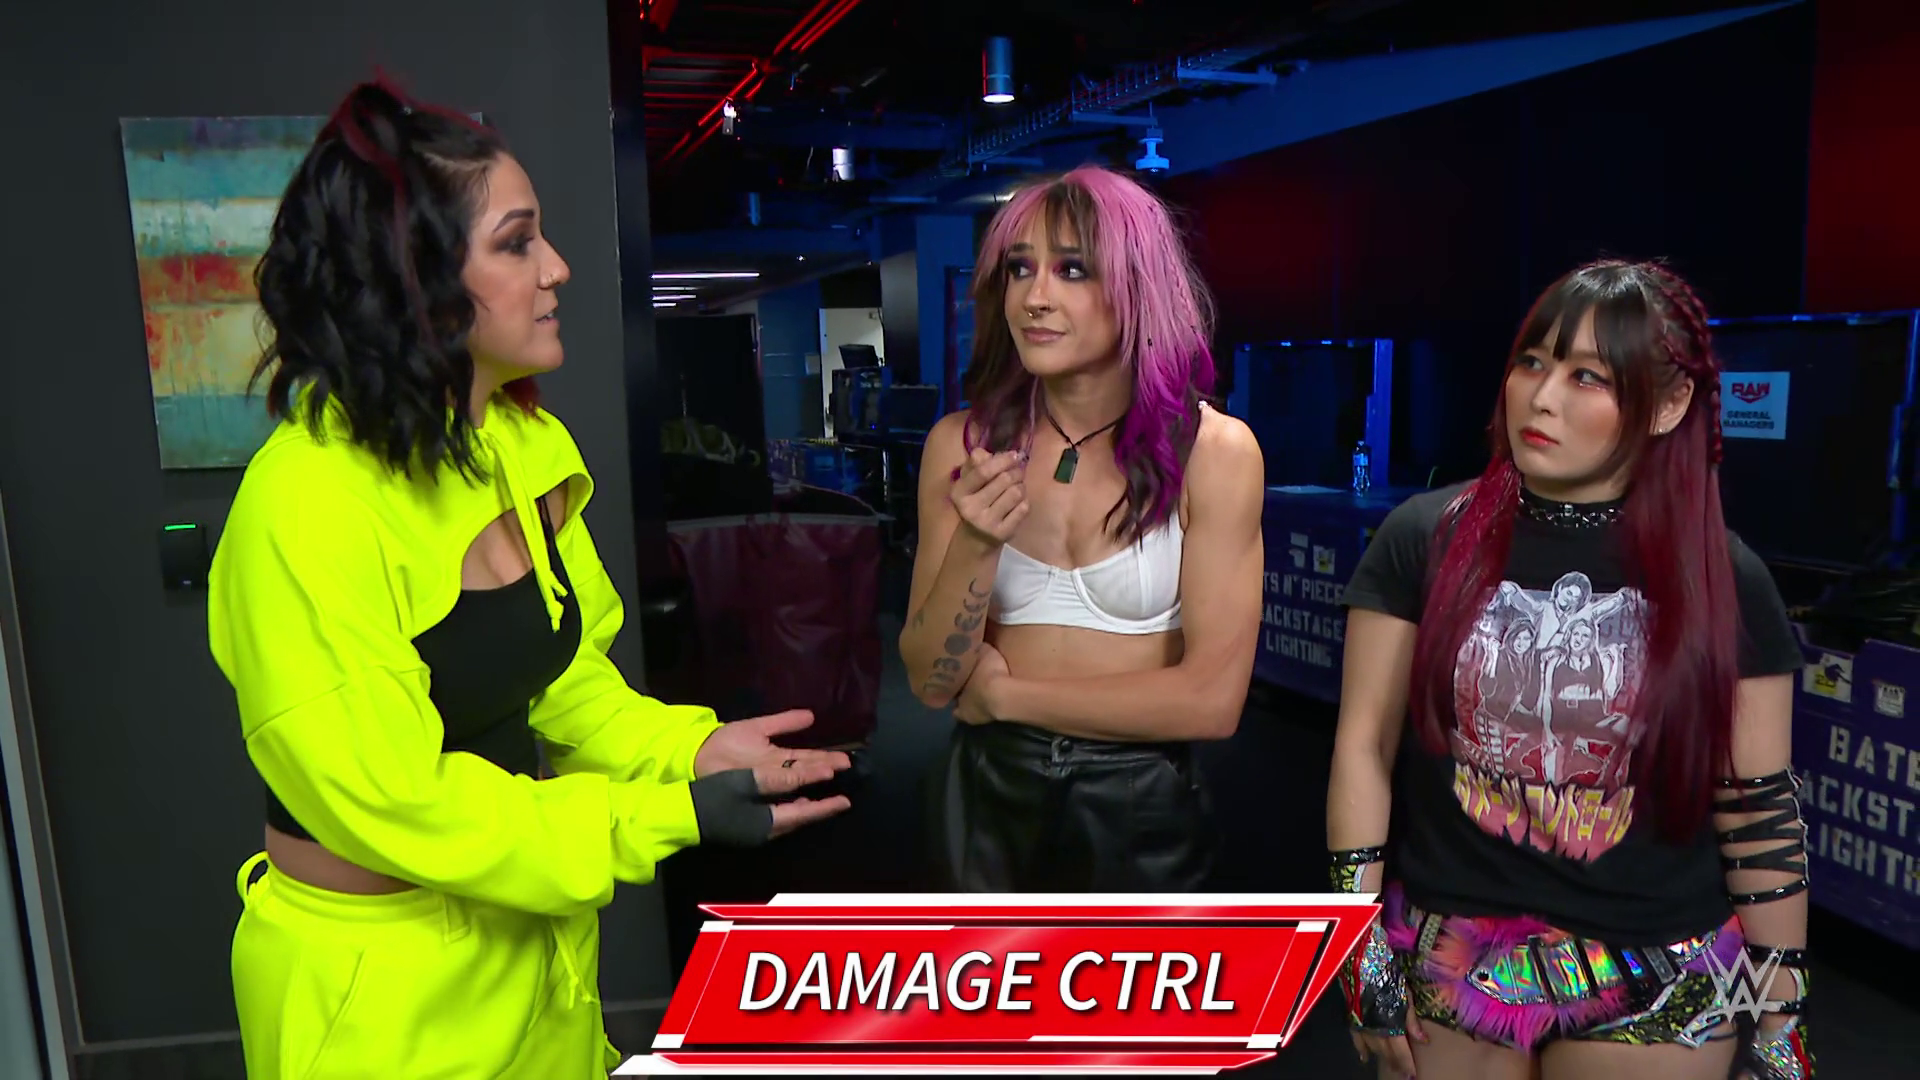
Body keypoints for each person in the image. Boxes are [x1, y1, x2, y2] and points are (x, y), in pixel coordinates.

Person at [207, 79, 852, 1079]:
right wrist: (664, 815)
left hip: (530, 946)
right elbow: (404, 803)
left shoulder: (521, 444)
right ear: (413, 277)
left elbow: (568, 680)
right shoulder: (304, 503)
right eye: (517, 244)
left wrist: (690, 750)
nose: (556, 269)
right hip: (381, 995)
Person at [1326, 259, 1813, 1080]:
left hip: (1659, 971)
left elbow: (1757, 808)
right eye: (1532, 362)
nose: (1541, 397)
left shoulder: (1722, 576)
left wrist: (1781, 1017)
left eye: (1587, 376)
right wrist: (1356, 950)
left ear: (1669, 403)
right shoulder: (1424, 538)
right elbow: (1362, 750)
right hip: (1453, 957)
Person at [899, 165, 1265, 892]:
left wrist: (1008, 698)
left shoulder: (1215, 454)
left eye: (1072, 270)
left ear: (1138, 289)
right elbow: (932, 682)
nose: (1035, 297)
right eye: (1020, 269)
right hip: (987, 795)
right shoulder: (962, 446)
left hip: (1141, 805)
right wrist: (976, 541)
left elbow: (1211, 702)